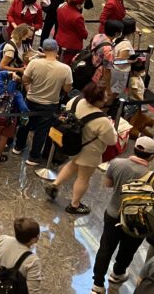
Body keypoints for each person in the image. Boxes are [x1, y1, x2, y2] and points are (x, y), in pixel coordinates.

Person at [90, 136, 154, 293]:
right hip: (137, 221)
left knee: (106, 247)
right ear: (151, 156)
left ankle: (97, 284)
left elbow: (107, 184)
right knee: (128, 249)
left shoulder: (116, 163)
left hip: (112, 214)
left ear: (135, 148)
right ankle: (117, 274)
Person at [45, 82, 118, 214]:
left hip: (72, 143)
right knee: (83, 178)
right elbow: (112, 140)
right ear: (99, 101)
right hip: (90, 151)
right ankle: (74, 205)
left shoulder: (75, 100)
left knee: (73, 164)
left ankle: (55, 184)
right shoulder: (102, 120)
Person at [13, 39, 72, 166]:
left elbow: (25, 80)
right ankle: (33, 157)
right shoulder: (65, 68)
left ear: (43, 50)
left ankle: (18, 147)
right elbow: (67, 89)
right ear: (57, 50)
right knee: (41, 130)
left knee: (25, 124)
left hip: (31, 99)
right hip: (50, 104)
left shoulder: (34, 63)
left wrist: (30, 90)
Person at [0, 218, 42, 294]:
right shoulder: (33, 262)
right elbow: (32, 292)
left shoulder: (3, 240)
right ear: (33, 239)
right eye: (37, 235)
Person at [54, 0, 89, 65]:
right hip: (71, 44)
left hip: (59, 38)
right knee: (67, 64)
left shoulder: (61, 7)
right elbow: (84, 34)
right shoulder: (78, 17)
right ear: (78, 4)